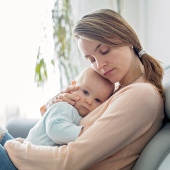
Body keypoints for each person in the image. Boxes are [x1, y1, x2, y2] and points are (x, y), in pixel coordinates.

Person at [3, 9, 164, 170]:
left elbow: (70, 160)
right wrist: (53, 107)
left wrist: (13, 146)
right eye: (91, 59)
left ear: (128, 39)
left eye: (104, 51)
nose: (100, 66)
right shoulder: (120, 90)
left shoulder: (140, 96)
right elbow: (60, 127)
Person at [0, 67, 114, 169]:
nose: (89, 101)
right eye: (85, 92)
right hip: (24, 162)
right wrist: (82, 133)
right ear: (72, 87)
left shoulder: (78, 114)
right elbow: (55, 130)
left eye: (98, 100)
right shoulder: (65, 107)